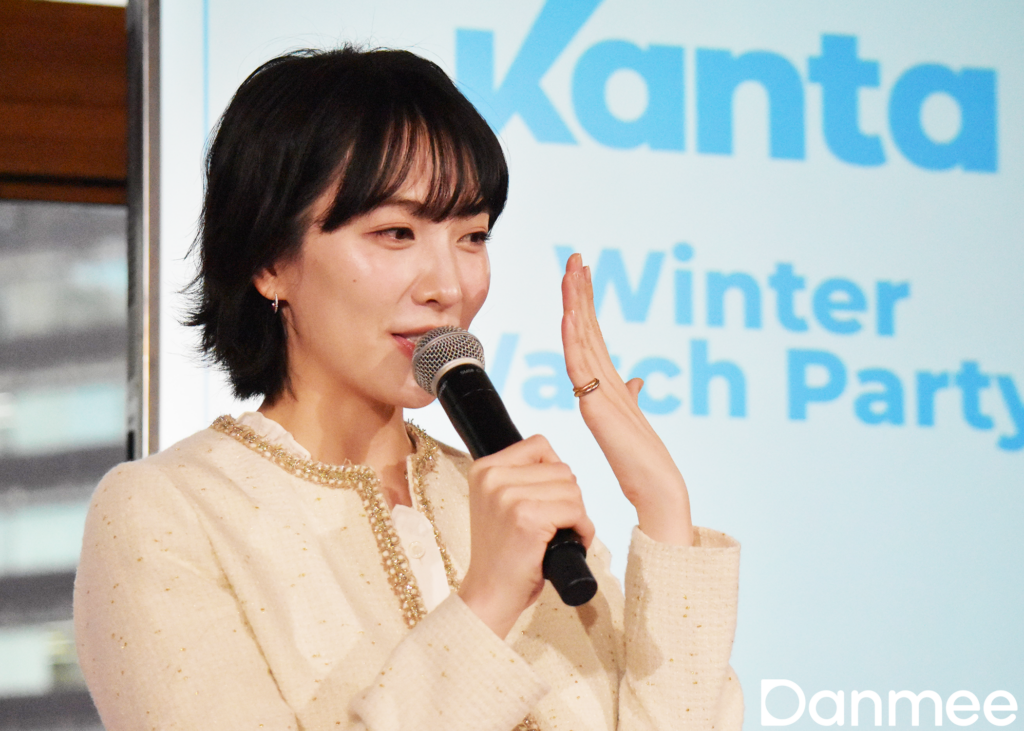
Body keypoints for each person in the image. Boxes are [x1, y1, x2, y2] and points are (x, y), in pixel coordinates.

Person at [74, 46, 742, 731]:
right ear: (270, 260)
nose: (449, 286)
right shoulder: (167, 513)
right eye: (397, 232)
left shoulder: (507, 500)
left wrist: (662, 505)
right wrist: (487, 601)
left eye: (472, 236)